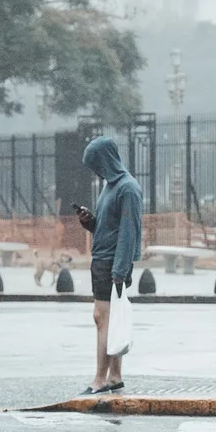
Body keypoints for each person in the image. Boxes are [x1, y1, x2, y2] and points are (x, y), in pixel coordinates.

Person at [75, 137, 143, 394]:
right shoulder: (110, 187)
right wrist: (89, 222)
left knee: (102, 319)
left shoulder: (127, 188)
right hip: (104, 260)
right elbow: (109, 227)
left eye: (96, 164)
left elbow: (128, 233)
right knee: (109, 320)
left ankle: (100, 380)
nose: (95, 171)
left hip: (112, 264)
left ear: (106, 160)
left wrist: (119, 271)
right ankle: (114, 376)